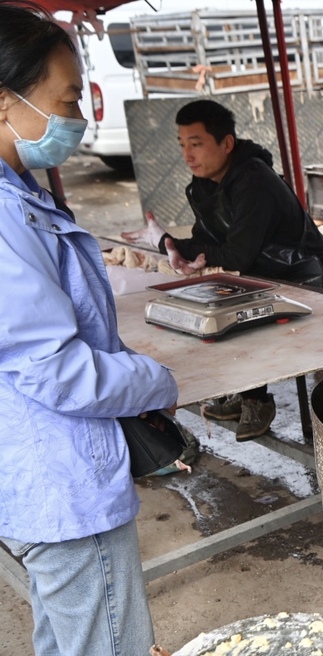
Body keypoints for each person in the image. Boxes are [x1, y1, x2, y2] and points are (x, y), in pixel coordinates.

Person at [0, 3, 179, 654]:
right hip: (60, 481)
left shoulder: (19, 195)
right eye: (67, 99)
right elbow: (55, 368)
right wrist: (154, 380)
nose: (76, 119)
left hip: (34, 471)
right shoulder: (4, 217)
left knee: (70, 636)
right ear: (4, 103)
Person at [122, 99, 323, 441]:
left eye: (196, 144)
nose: (187, 155)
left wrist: (182, 247)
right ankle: (247, 392)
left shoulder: (254, 182)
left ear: (226, 144)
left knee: (236, 309)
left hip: (307, 275)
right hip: (264, 272)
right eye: (182, 145)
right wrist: (167, 244)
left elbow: (236, 255)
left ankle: (257, 400)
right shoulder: (204, 185)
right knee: (209, 300)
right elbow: (204, 243)